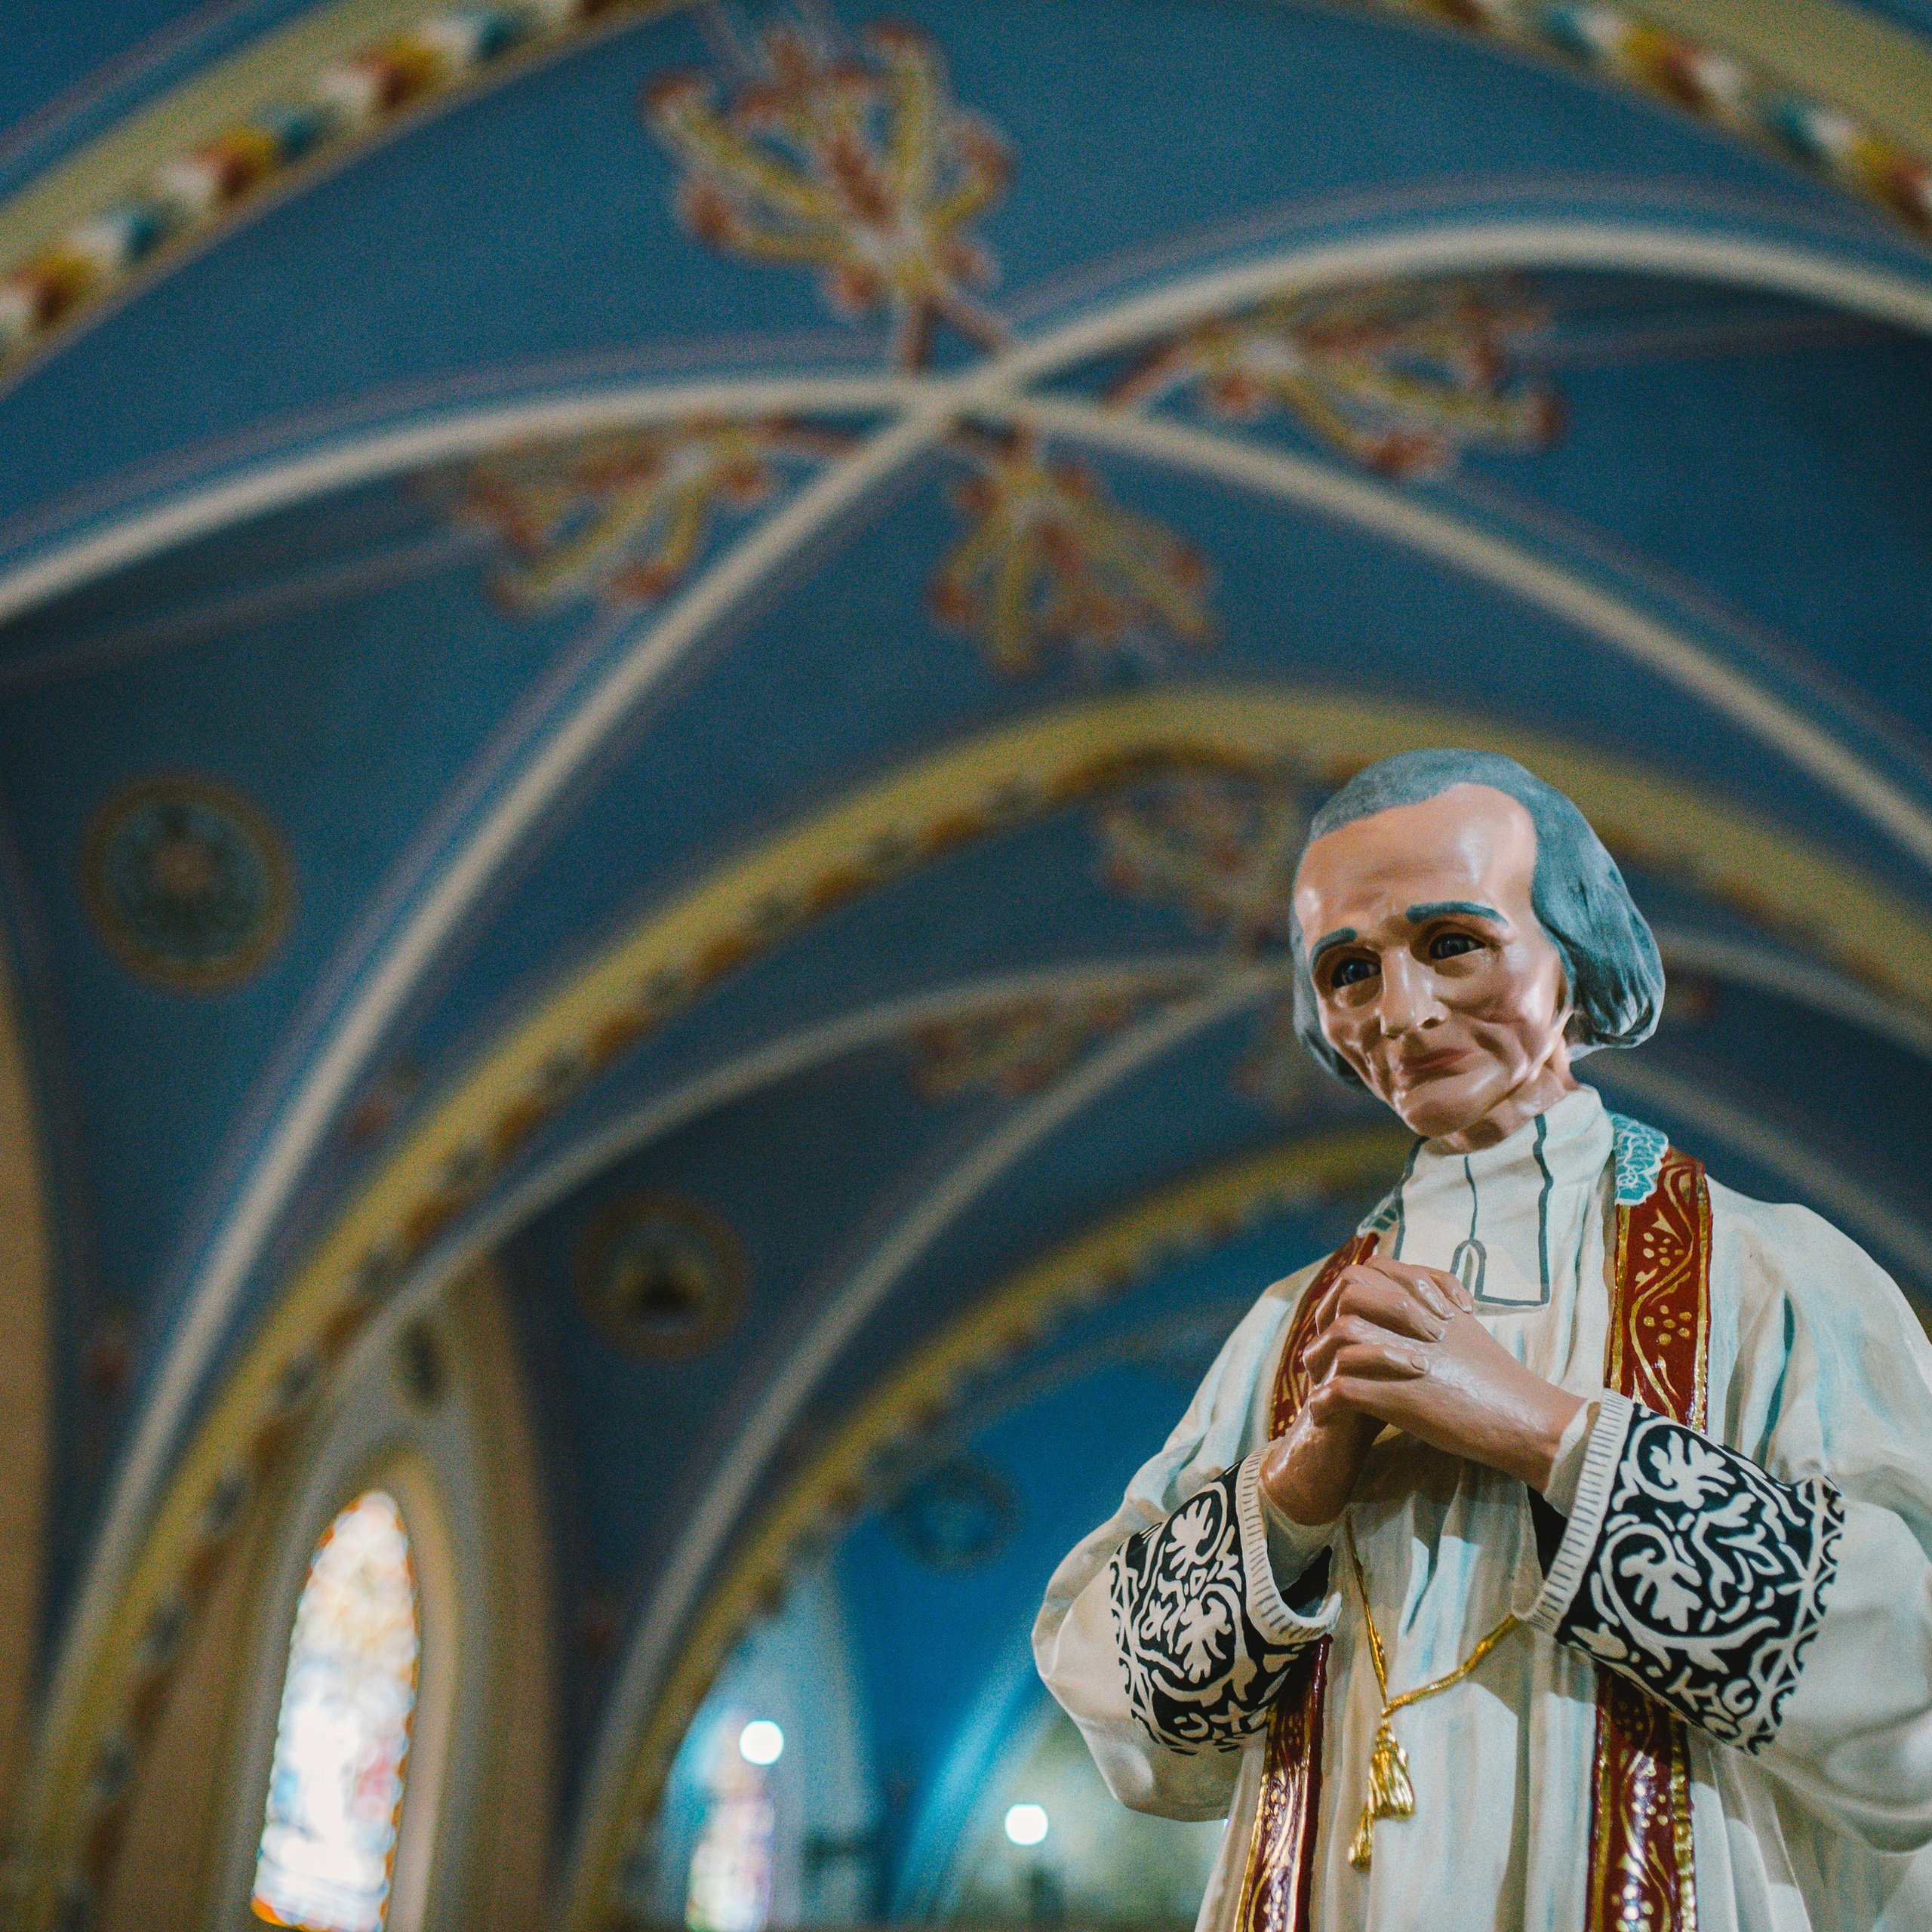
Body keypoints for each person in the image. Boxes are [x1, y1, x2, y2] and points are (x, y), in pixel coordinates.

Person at [1034, 749, 1932, 1932]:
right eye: (1349, 970)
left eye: (1452, 942)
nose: (1399, 1013)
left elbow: (1909, 1686)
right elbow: (1129, 1717)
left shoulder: (1772, 1275)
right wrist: (1296, 1489)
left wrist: (1547, 1433)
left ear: (1574, 951)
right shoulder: (1284, 1330)